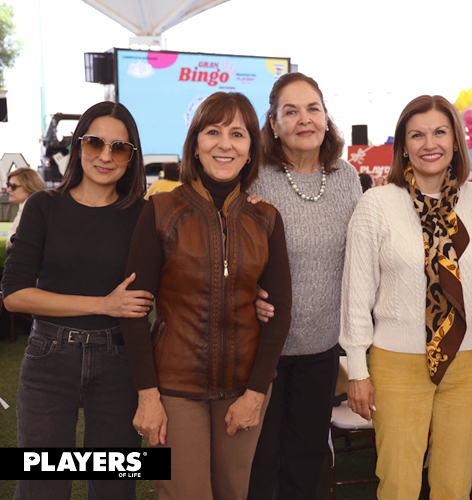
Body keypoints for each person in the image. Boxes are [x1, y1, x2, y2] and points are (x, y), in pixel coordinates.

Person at [121, 91, 292, 500]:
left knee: (233, 492)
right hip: (175, 387)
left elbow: (281, 310)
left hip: (245, 387)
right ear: (195, 143)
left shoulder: (266, 217)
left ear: (251, 148)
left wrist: (256, 392)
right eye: (213, 131)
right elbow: (132, 311)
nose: (224, 143)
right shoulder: (160, 210)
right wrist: (147, 395)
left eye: (237, 134)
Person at [340, 95, 472, 499]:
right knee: (398, 484)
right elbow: (355, 294)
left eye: (440, 132)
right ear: (403, 145)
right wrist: (357, 368)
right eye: (418, 134)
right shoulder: (377, 204)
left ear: (456, 140)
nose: (431, 143)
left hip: (469, 362)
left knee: (454, 484)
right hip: (396, 365)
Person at [2, 101, 152, 500]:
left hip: (121, 363)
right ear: (77, 145)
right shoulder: (43, 207)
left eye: (119, 148)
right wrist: (104, 304)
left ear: (132, 156)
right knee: (41, 488)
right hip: (49, 358)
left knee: (115, 490)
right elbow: (14, 295)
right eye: (94, 142)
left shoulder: (145, 215)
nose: (105, 156)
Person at [247, 72, 363, 500]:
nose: (304, 119)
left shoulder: (347, 177)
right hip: (265, 349)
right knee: (260, 461)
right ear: (273, 124)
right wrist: (248, 293)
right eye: (290, 111)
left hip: (322, 350)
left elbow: (361, 257)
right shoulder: (254, 176)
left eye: (313, 108)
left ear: (326, 117)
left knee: (306, 457)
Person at [5, 168, 46, 249]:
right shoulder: (23, 204)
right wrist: (12, 239)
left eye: (13, 186)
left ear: (29, 186)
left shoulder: (36, 209)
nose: (8, 189)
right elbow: (13, 228)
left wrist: (12, 240)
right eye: (8, 185)